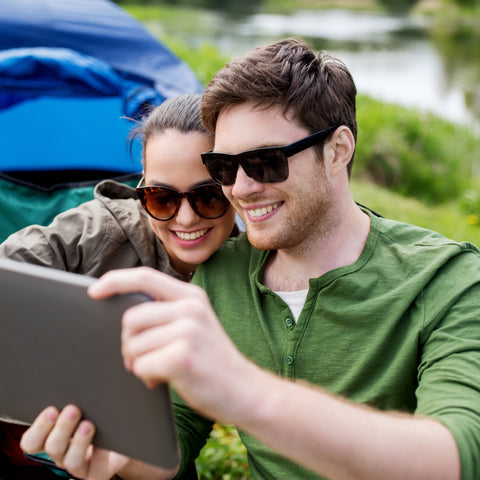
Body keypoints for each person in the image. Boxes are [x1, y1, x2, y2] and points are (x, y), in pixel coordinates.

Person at [20, 37, 480, 480]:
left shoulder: (450, 281)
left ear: (337, 150)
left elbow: (457, 458)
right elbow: (176, 439)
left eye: (265, 163)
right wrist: (121, 453)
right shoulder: (220, 275)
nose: (239, 189)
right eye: (224, 167)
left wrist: (244, 391)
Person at [0, 93, 237, 479]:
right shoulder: (99, 231)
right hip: (26, 435)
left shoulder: (252, 269)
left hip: (141, 456)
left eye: (208, 196)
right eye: (161, 197)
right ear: (141, 185)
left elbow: (183, 433)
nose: (186, 218)